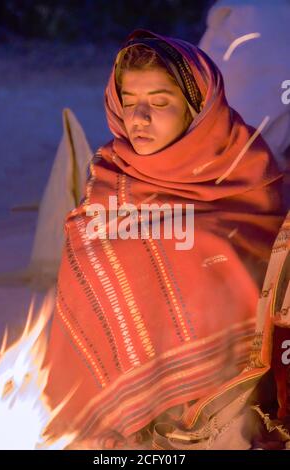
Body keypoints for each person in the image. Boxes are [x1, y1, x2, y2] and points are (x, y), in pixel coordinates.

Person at [43, 28, 286, 449]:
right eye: (129, 102)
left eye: (159, 103)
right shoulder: (110, 178)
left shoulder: (246, 171)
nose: (139, 119)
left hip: (236, 406)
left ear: (199, 108)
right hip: (126, 426)